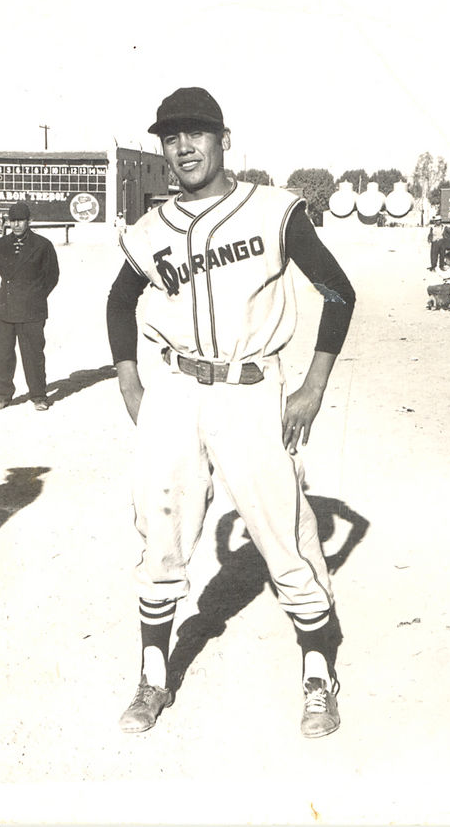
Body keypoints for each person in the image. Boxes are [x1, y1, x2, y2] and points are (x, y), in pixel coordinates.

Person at [106, 87, 356, 739]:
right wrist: (130, 380)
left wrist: (313, 387)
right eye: (171, 137)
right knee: (160, 530)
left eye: (195, 133)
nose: (182, 147)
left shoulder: (273, 210)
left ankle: (318, 676)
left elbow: (338, 291)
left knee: (285, 535)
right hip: (175, 390)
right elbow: (119, 300)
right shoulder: (150, 229)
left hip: (250, 388)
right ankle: (153, 677)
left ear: (222, 139)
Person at [0, 201, 60, 412]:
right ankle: (3, 395)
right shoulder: (0, 245)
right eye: (12, 220)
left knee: (33, 355)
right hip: (5, 307)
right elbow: (5, 274)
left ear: (29, 220)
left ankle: (39, 396)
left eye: (20, 220)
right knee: (2, 354)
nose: (16, 225)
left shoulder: (43, 245)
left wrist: (35, 296)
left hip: (32, 309)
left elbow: (52, 276)